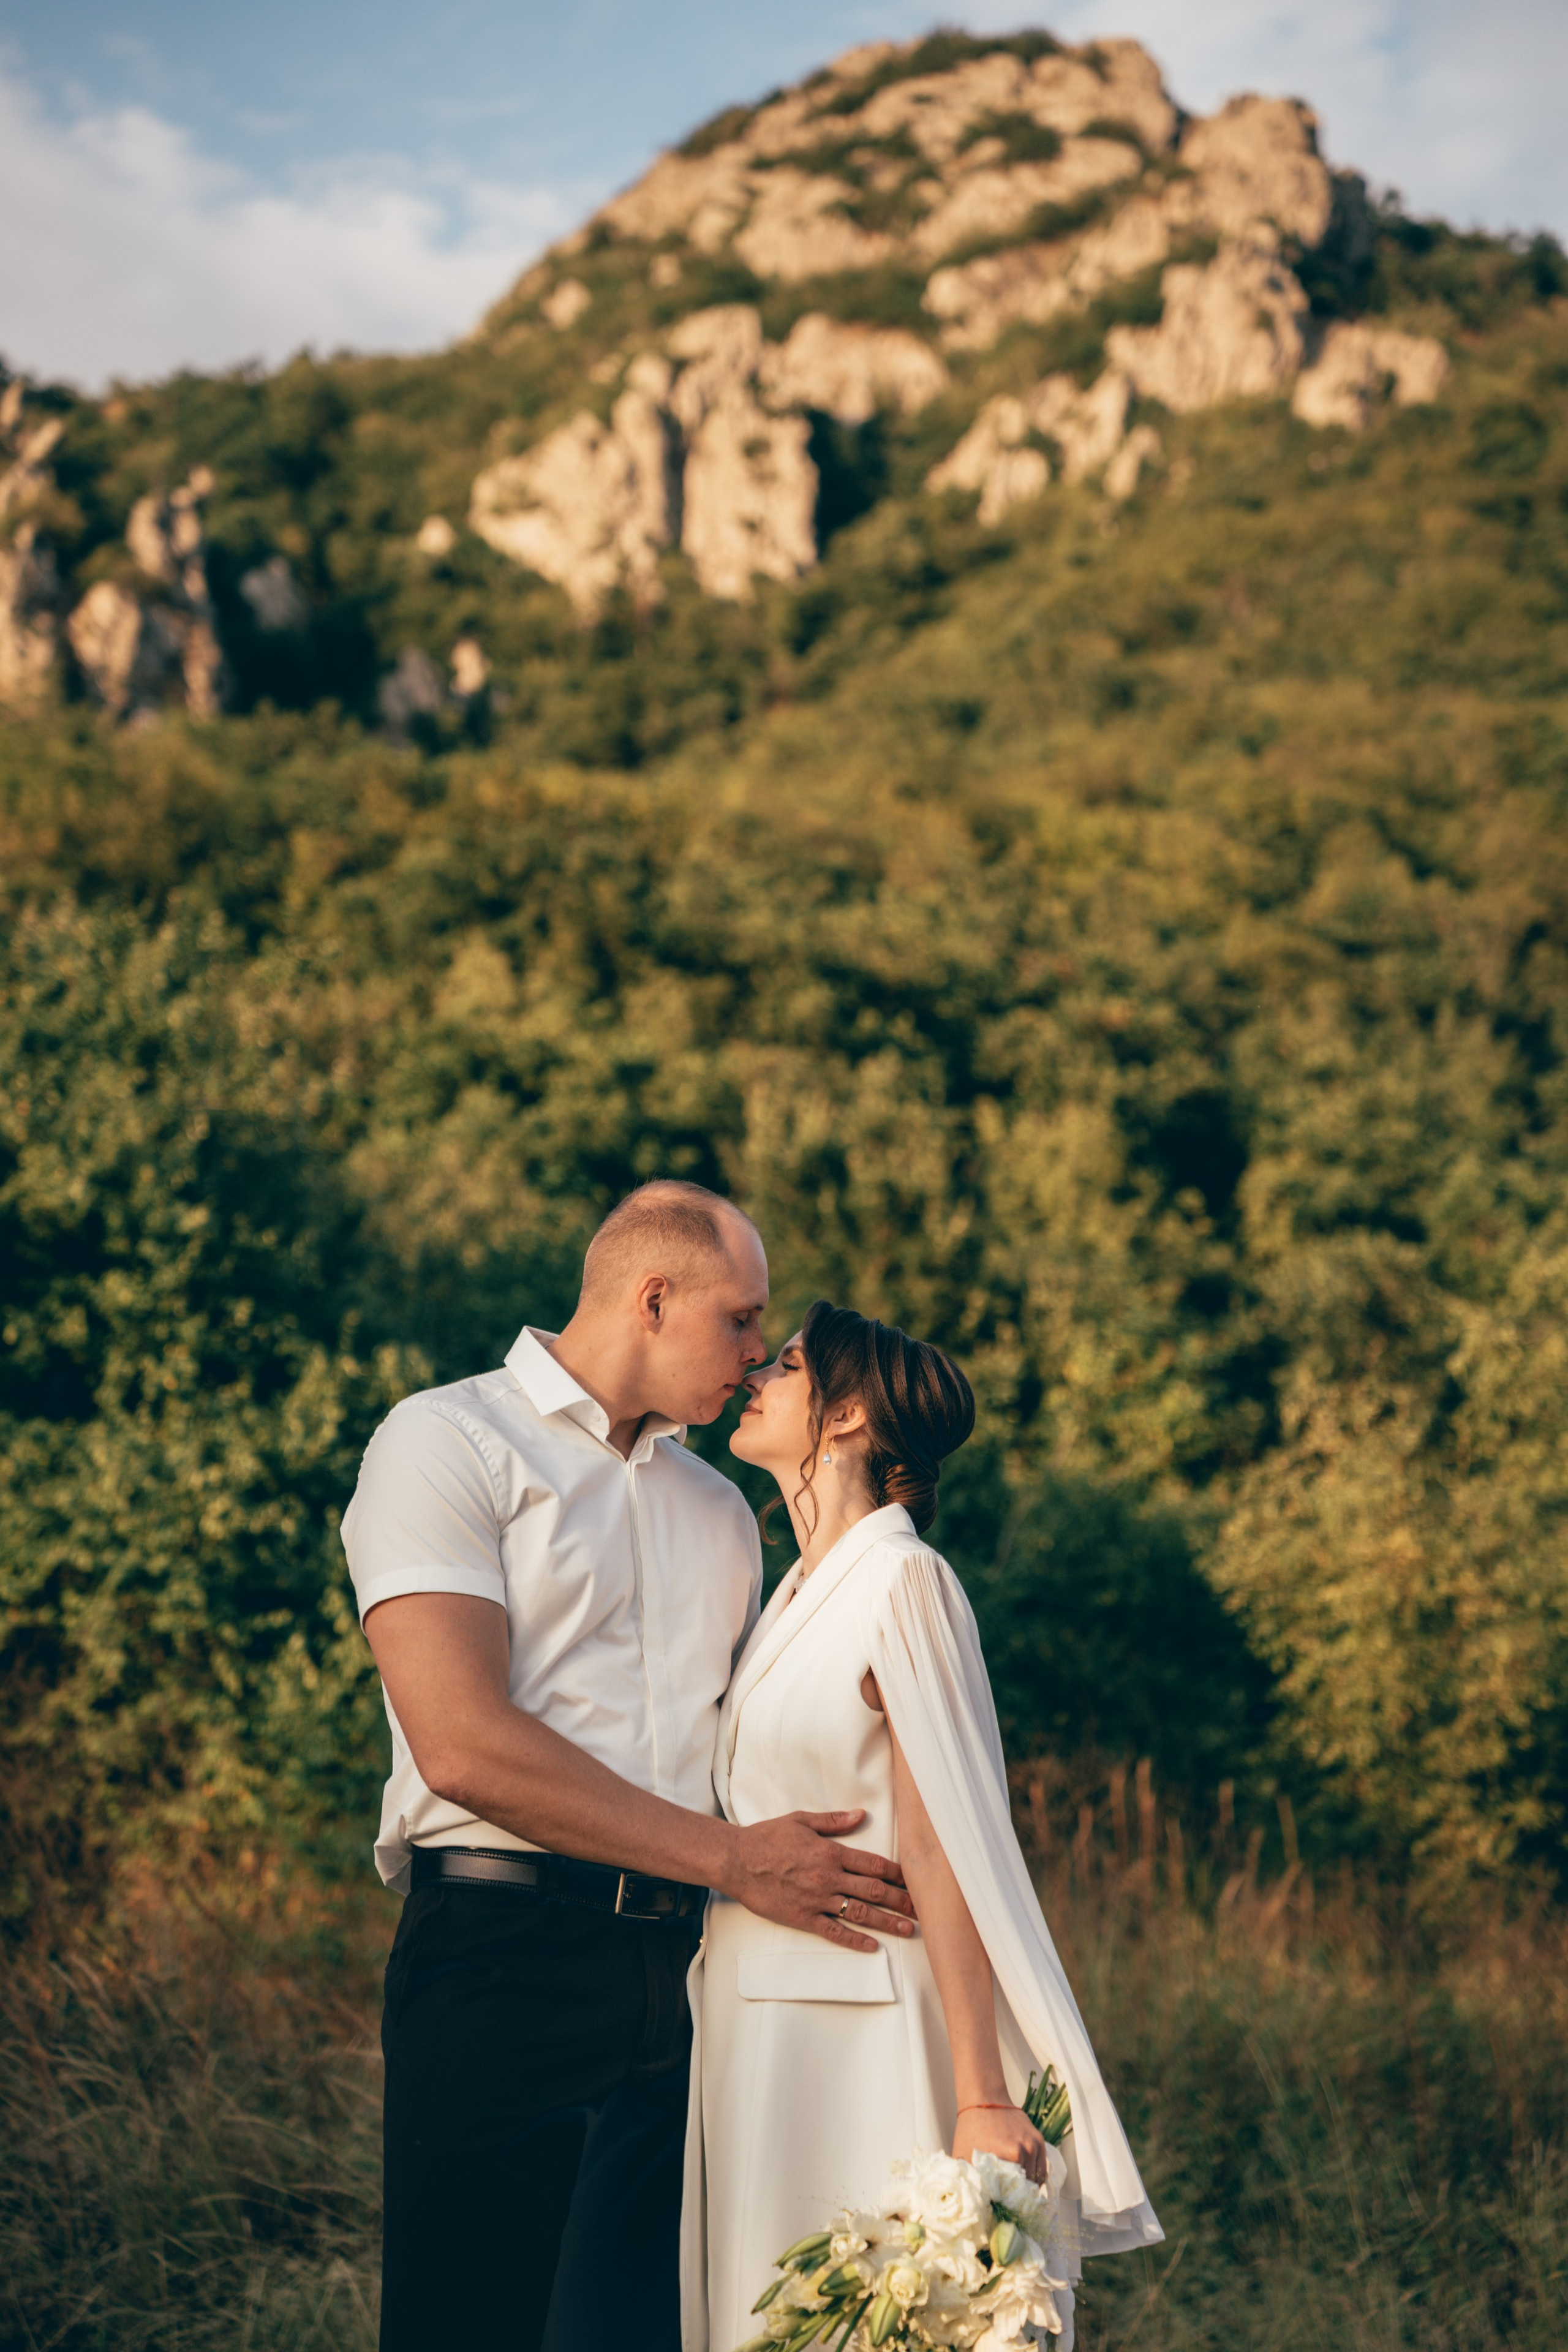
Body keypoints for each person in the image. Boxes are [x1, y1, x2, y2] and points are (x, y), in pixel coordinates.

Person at [343, 1183, 917, 2352]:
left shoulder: (721, 1510)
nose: (760, 1359)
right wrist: (736, 1862)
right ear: (653, 1299)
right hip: (503, 1964)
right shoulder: (446, 1442)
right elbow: (460, 1742)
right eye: (743, 1321)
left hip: (693, 1982)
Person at [685, 1301, 1163, 2352]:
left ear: (848, 1414)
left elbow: (946, 1839)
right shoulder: (795, 1590)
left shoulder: (905, 1583)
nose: (758, 1373)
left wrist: (983, 2096)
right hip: (753, 2025)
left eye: (791, 1365)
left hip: (860, 2023)